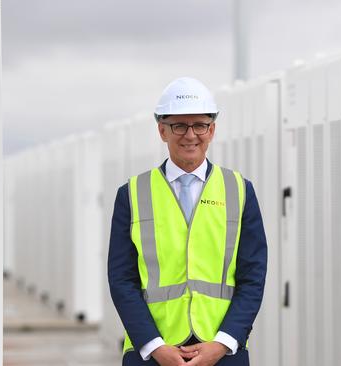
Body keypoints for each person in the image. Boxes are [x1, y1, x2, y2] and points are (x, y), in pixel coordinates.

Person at [108, 77, 267, 366]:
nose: (190, 135)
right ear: (162, 131)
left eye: (200, 125)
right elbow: (122, 280)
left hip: (222, 353)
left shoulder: (240, 190)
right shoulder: (131, 194)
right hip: (152, 353)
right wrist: (154, 346)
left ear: (212, 129)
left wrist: (223, 342)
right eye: (179, 125)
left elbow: (253, 278)